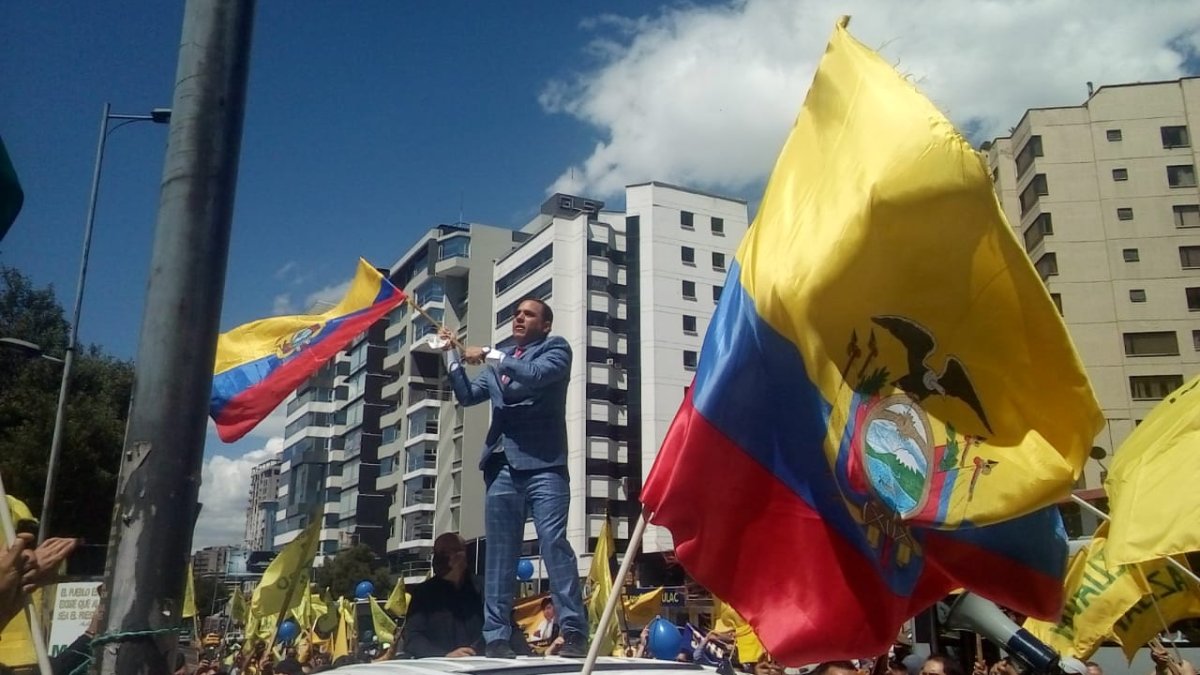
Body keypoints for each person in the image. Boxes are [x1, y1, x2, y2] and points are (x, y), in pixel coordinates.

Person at [437, 296, 587, 658]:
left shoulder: (555, 350)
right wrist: (450, 354)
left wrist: (490, 354)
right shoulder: (498, 363)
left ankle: (574, 630)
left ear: (545, 324)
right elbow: (468, 395)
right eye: (517, 313)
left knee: (554, 544)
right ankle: (497, 636)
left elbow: (535, 378)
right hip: (501, 467)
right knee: (499, 556)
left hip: (545, 466)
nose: (519, 317)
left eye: (528, 314)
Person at [402, 533, 529, 658]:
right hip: (440, 668)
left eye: (449, 552)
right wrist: (444, 655)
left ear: (464, 554)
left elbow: (509, 628)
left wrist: (529, 658)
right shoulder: (423, 593)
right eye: (439, 553)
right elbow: (412, 637)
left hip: (485, 667)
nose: (443, 557)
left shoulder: (487, 590)